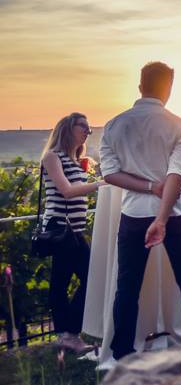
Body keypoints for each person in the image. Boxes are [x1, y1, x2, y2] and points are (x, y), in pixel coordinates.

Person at [100, 62, 181, 360]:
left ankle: (122, 350)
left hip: (134, 214)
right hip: (174, 214)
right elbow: (176, 175)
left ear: (140, 87)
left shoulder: (114, 125)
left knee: (127, 285)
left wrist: (148, 188)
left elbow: (109, 174)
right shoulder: (177, 125)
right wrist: (161, 218)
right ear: (169, 89)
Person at [40, 113, 103, 353]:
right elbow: (66, 191)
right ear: (68, 127)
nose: (88, 131)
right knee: (63, 281)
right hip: (59, 227)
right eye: (83, 127)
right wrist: (100, 184)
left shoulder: (77, 160)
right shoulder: (52, 157)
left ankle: (69, 333)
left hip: (75, 230)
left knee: (90, 277)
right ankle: (67, 334)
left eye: (89, 128)